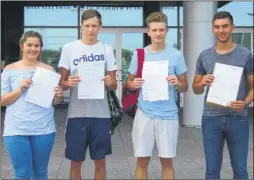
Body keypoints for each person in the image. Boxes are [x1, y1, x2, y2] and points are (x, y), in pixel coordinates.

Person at [126, 12, 188, 179]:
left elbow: (185, 87)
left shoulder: (176, 55)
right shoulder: (139, 55)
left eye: (161, 30)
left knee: (167, 162)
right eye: (154, 30)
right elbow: (129, 83)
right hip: (144, 114)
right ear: (148, 32)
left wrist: (177, 82)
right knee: (142, 160)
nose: (158, 33)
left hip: (168, 115)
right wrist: (134, 83)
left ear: (167, 31)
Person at [192, 11, 253, 179]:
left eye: (225, 26)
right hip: (211, 118)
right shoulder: (204, 56)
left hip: (238, 118)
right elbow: (195, 89)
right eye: (217, 27)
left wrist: (246, 102)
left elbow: (253, 88)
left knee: (241, 171)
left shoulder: (245, 55)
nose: (221, 30)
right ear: (213, 29)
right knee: (212, 171)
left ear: (233, 27)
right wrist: (202, 82)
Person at [58, 9, 117, 179]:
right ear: (81, 26)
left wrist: (109, 82)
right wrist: (67, 83)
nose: (91, 29)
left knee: (100, 161)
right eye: (87, 26)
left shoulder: (107, 49)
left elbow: (113, 85)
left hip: (101, 114)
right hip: (77, 114)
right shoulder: (69, 48)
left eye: (94, 26)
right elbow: (62, 82)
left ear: (100, 27)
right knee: (75, 162)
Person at [1, 31, 63, 179]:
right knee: (22, 174)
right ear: (22, 46)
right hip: (16, 129)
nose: (33, 49)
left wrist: (58, 95)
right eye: (29, 45)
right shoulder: (10, 70)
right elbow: (2, 101)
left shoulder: (48, 70)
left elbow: (54, 102)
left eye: (37, 45)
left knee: (40, 173)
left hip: (44, 129)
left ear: (41, 48)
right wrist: (19, 89)